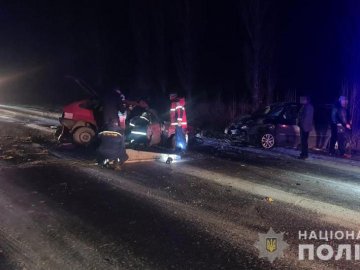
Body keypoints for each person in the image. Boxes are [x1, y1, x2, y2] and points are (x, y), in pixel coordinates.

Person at [96, 89, 128, 168]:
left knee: (107, 137)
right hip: (112, 117)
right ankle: (116, 163)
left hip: (105, 118)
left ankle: (104, 160)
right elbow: (122, 109)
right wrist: (126, 109)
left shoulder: (105, 94)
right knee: (120, 145)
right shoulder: (117, 96)